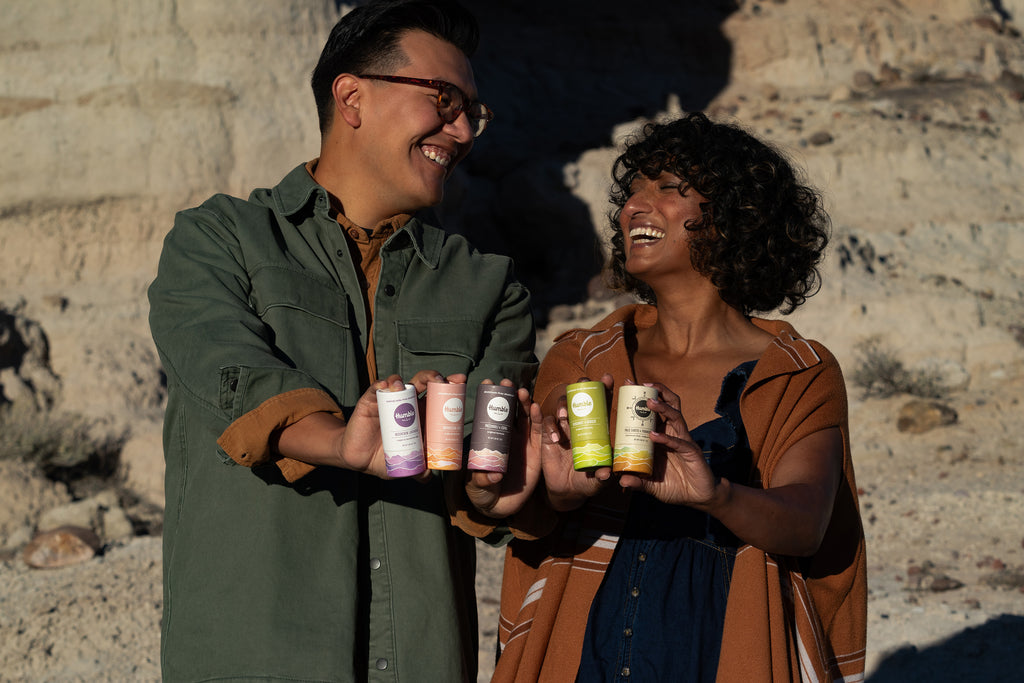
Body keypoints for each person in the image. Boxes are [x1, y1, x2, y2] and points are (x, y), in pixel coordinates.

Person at [147, 2, 536, 681]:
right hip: (251, 658)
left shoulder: (488, 284)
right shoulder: (218, 240)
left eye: (474, 112)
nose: (464, 130)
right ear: (352, 97)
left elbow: (488, 479)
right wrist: (339, 441)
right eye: (445, 100)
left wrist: (517, 487)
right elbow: (228, 367)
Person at [489, 112, 867, 682]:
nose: (634, 207)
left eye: (667, 189)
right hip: (583, 648)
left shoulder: (795, 373)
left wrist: (715, 494)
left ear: (737, 218)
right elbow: (529, 515)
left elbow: (806, 523)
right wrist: (563, 495)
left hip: (717, 645)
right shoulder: (585, 359)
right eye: (633, 191)